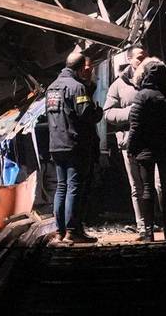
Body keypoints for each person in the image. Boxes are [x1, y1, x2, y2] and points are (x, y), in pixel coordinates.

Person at [46, 48, 104, 244]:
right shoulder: (76, 87)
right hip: (75, 144)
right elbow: (86, 114)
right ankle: (73, 231)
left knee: (61, 187)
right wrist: (98, 112)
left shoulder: (52, 87)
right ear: (80, 69)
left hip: (56, 144)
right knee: (74, 188)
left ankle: (59, 231)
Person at [127, 57, 166, 241]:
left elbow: (135, 125)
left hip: (146, 149)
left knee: (147, 189)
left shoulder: (142, 96)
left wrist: (131, 147)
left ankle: (148, 233)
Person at [104, 44, 147, 232]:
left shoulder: (154, 79)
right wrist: (130, 113)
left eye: (144, 56)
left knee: (157, 184)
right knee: (137, 186)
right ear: (129, 59)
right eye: (139, 57)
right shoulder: (118, 84)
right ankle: (143, 224)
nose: (142, 60)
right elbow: (108, 113)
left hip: (152, 140)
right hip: (128, 142)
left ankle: (161, 220)